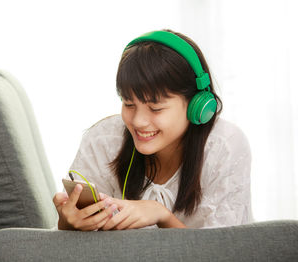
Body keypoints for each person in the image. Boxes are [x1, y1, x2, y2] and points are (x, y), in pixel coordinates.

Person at [53, 29, 252, 231]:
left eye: (155, 108)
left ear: (196, 106)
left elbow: (223, 252)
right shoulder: (103, 140)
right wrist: (67, 224)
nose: (138, 122)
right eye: (128, 104)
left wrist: (161, 215)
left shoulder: (224, 146)